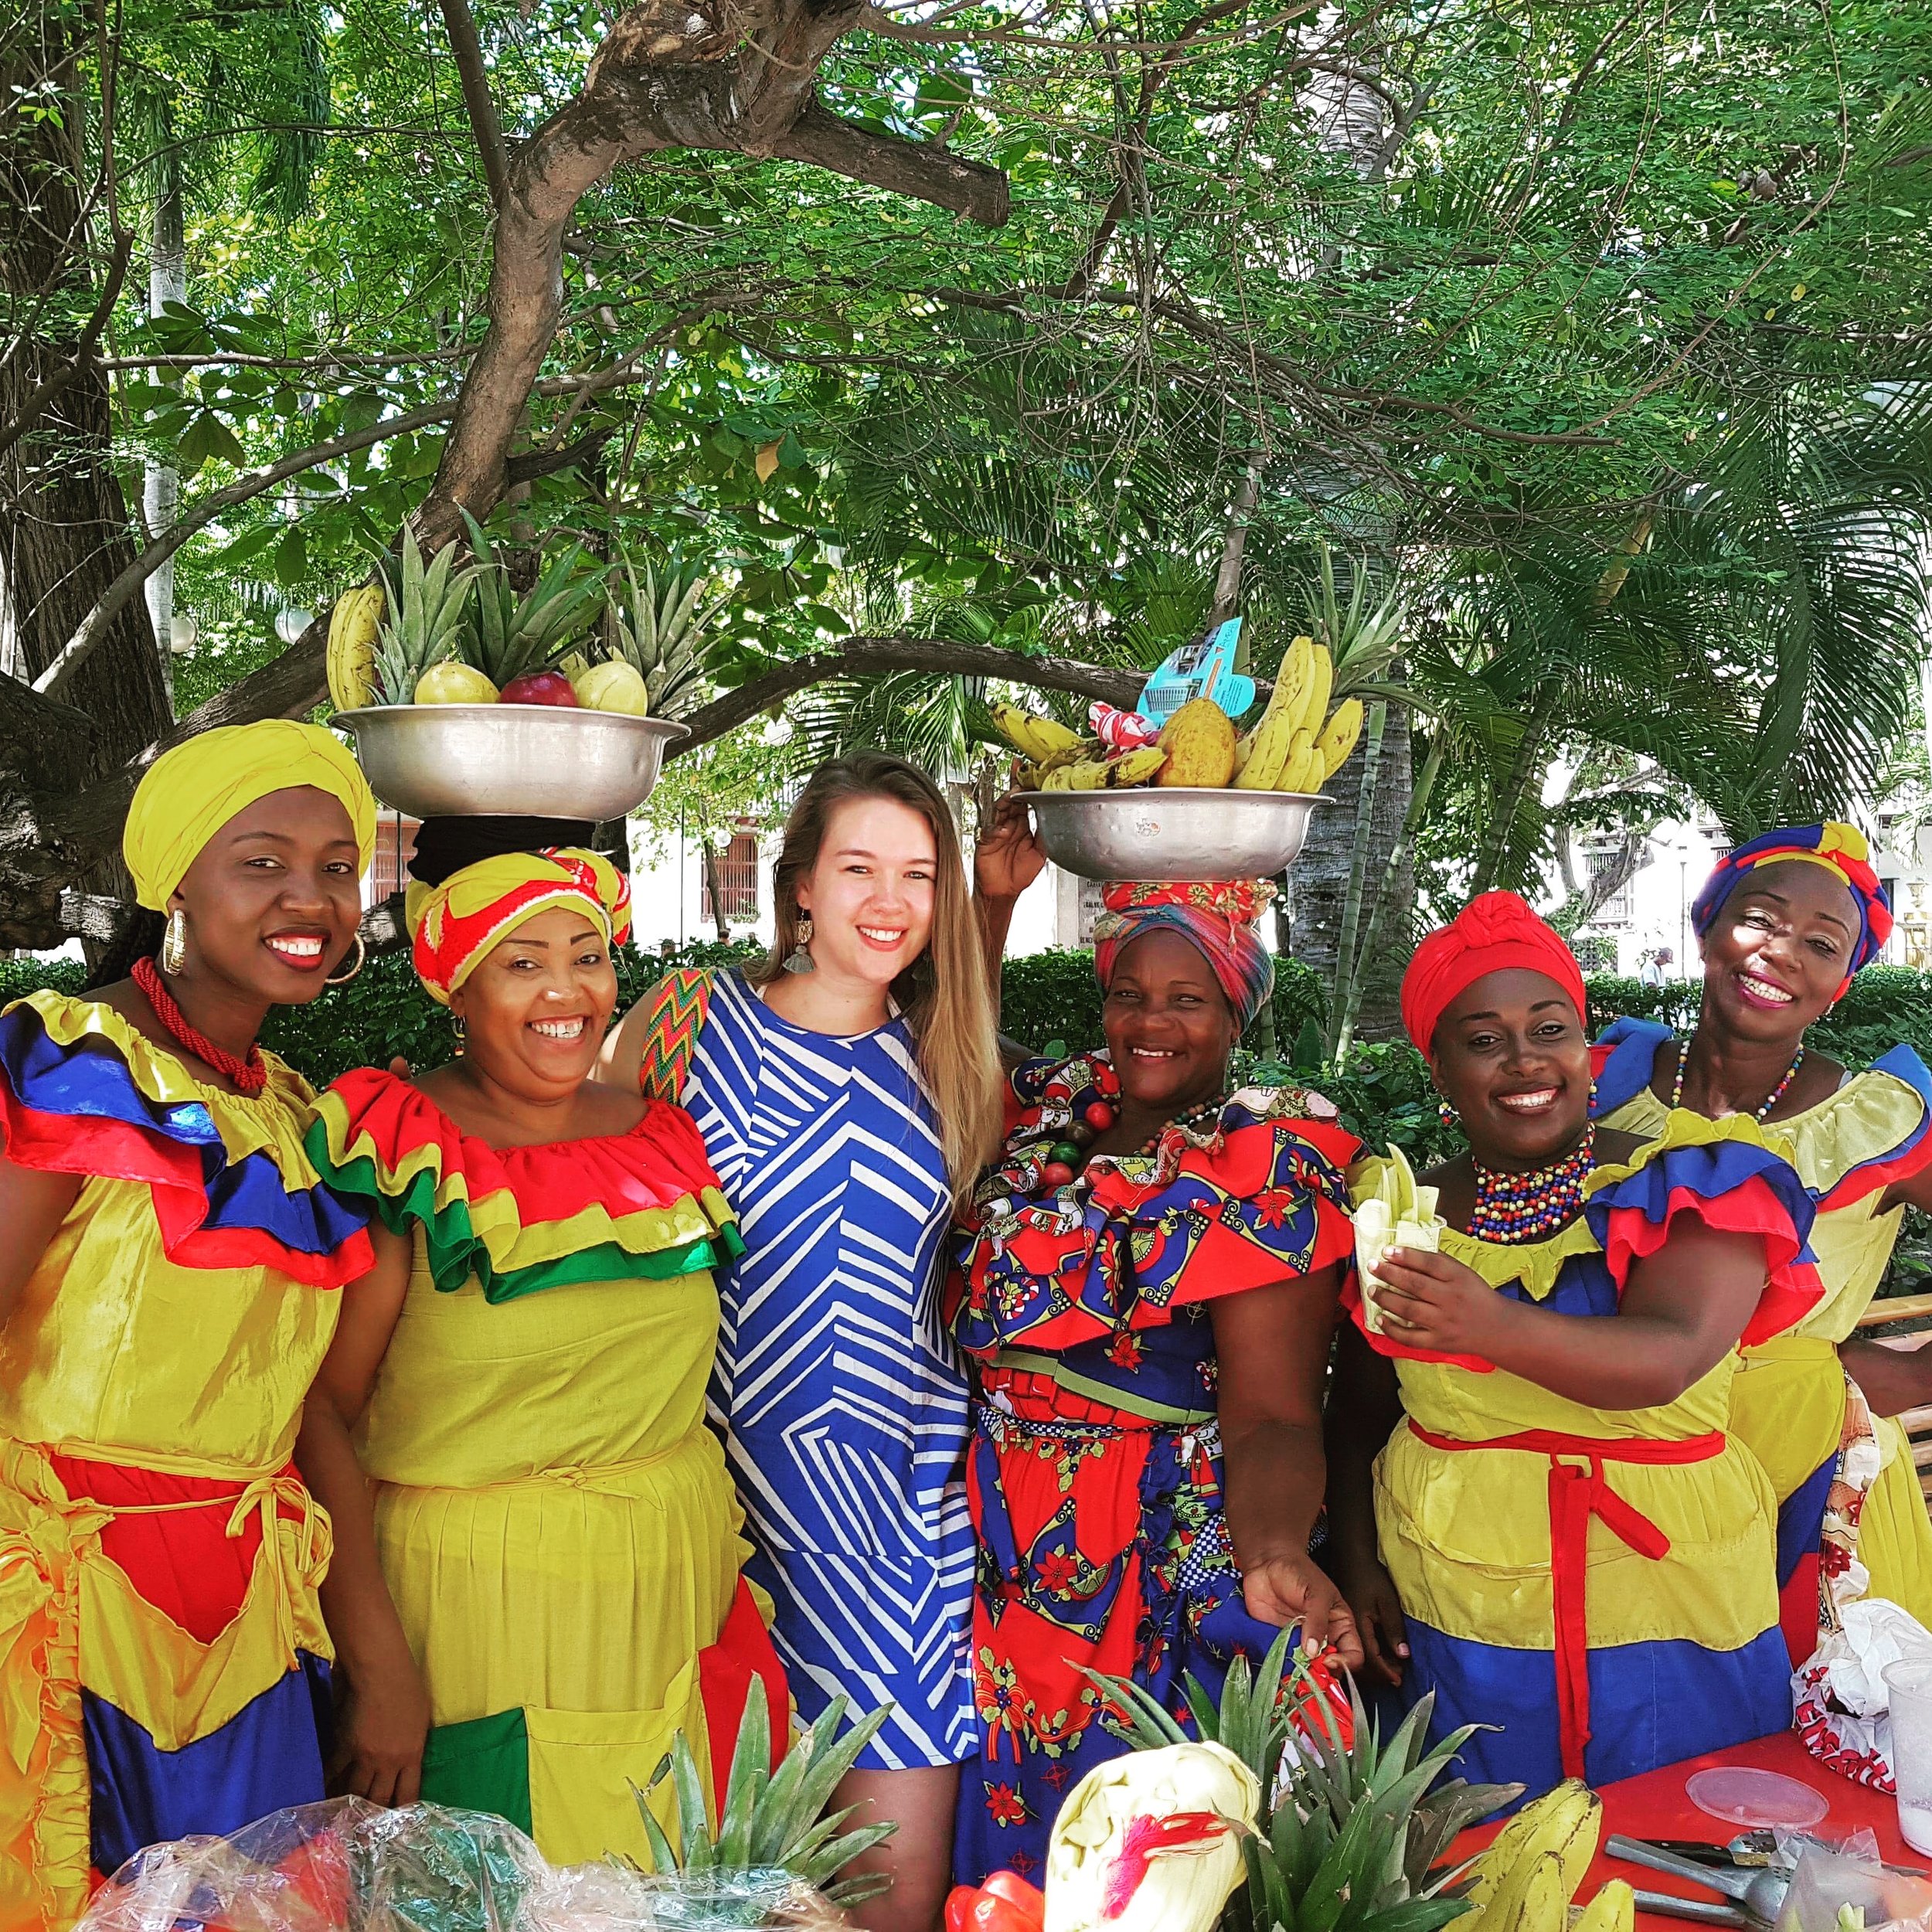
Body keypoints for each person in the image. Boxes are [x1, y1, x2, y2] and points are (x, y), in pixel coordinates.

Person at [297, 835, 785, 1867]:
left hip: (671, 1591)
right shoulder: (404, 1152)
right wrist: (379, 1664)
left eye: (587, 953)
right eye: (521, 964)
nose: (565, 990)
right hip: (481, 1614)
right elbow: (317, 1412)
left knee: (672, 1893)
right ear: (458, 992)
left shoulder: (661, 1136)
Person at [597, 754, 1015, 1932]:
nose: (888, 901)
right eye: (859, 869)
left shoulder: (952, 1058)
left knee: (893, 1894)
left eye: (919, 876)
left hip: (898, 1526)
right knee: (707, 1887)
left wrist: (1002, 899)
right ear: (798, 889)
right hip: (717, 1514)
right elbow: (569, 1184)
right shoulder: (689, 1019)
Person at [0, 721, 378, 1927]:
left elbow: (306, 1399)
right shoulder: (71, 1062)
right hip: (60, 1614)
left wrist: (383, 1658)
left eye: (334, 865)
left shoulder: (296, 1115)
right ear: (174, 884)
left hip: (249, 1624)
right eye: (261, 862)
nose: (307, 897)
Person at [1325, 891, 1822, 1799]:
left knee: (1680, 1836)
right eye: (1482, 1039)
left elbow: (1668, 1355)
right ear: (1437, 1067)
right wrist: (1356, 1560)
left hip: (1668, 1596)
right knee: (1486, 1859)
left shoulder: (1694, 1175)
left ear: (1584, 1044)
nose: (1523, 1059)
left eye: (1547, 1027)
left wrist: (1490, 1325)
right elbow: (1357, 1412)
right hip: (1459, 1601)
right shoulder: (1400, 1209)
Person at [948, 876, 1364, 1886]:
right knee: (1014, 1866)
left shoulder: (1262, 1169)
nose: (1151, 1022)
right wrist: (990, 900)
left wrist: (1272, 1549)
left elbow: (1271, 1416)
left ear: (1234, 1010)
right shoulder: (1053, 1124)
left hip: (1150, 1566)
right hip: (1004, 1558)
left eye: (1187, 998)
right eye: (1129, 993)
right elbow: (948, 1030)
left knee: (1139, 1863)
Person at [1591, 824, 1932, 1651]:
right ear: (1706, 925)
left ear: (1842, 982)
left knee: (1816, 1740)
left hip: (1814, 1471)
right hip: (1619, 1451)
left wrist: (1915, 1372)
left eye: (1821, 942)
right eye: (1759, 918)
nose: (1781, 952)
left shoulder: (1877, 1120)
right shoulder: (1598, 1081)